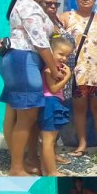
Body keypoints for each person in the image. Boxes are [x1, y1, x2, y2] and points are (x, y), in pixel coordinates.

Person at [0, 0, 63, 176]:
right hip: (24, 60)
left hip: (22, 60)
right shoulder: (27, 6)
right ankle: (16, 168)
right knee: (26, 118)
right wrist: (54, 69)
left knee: (20, 116)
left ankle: (21, 163)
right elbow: (40, 41)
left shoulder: (31, 5)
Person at [60, 0, 97, 160]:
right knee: (79, 108)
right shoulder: (67, 17)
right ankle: (82, 144)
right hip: (77, 71)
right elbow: (53, 37)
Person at [38, 35, 74, 176]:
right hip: (50, 103)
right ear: (50, 52)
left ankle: (44, 168)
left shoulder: (54, 69)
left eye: (67, 56)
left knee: (47, 141)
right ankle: (52, 172)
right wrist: (67, 77)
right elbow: (53, 89)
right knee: (49, 141)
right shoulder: (49, 70)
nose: (64, 58)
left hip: (52, 103)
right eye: (61, 54)